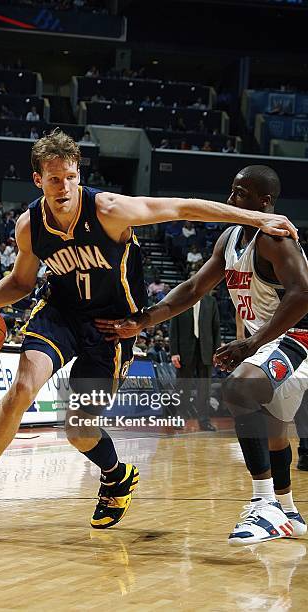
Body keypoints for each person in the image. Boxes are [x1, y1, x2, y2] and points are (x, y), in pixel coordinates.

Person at [0, 132, 297, 541]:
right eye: (54, 179)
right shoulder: (30, 226)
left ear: (78, 174)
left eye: (71, 177)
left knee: (79, 428)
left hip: (111, 328)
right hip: (59, 314)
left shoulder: (108, 209)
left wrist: (255, 218)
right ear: (38, 180)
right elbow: (20, 282)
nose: (64, 187)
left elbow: (181, 207)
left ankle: (116, 475)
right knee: (21, 388)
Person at [96, 165, 307, 546]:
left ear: (265, 202)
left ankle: (265, 506)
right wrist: (143, 321)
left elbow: (302, 295)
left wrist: (250, 342)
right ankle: (288, 509)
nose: (231, 201)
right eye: (231, 191)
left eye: (241, 194)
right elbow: (193, 288)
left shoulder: (275, 240)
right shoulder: (230, 239)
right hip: (271, 339)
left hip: (298, 338)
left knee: (239, 392)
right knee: (273, 423)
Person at [169, 284, 221, 431]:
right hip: (184, 351)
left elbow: (216, 328)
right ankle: (180, 418)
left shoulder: (211, 302)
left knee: (204, 389)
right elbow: (173, 328)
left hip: (206, 351)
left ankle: (204, 421)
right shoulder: (181, 301)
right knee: (182, 387)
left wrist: (217, 352)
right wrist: (174, 352)